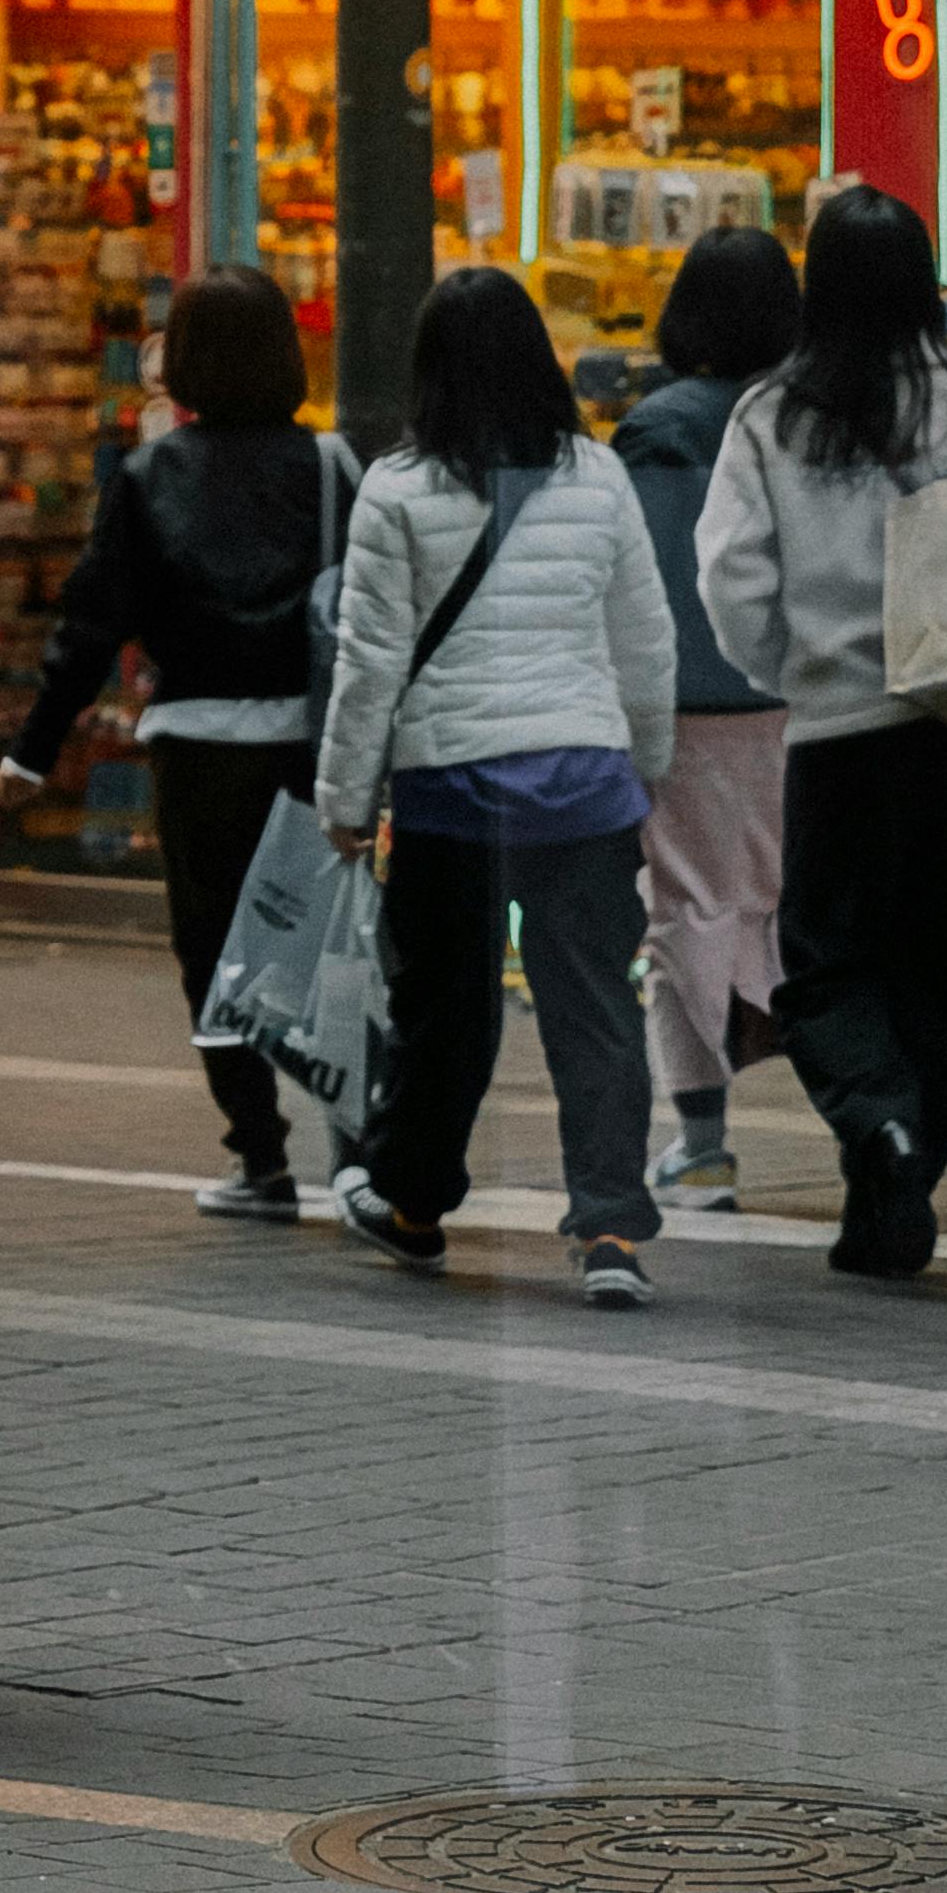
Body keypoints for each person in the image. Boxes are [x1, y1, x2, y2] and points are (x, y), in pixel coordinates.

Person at [695, 183, 947, 1279]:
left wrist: (792, 669)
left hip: (837, 730)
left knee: (822, 963)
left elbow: (733, 579)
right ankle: (900, 1177)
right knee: (945, 965)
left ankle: (879, 1127)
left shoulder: (772, 414)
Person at [311, 266, 682, 1305]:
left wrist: (344, 800)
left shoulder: (398, 488)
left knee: (445, 1017)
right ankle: (610, 1230)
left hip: (450, 796)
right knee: (598, 1012)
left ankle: (416, 1204)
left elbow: (369, 663)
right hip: (586, 788)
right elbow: (645, 642)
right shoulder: (596, 476)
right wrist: (641, 765)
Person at [0, 262, 343, 1225]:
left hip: (195, 744)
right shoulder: (330, 467)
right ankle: (362, 1145)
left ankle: (260, 1152)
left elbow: (89, 627)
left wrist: (30, 752)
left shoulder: (152, 476)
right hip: (309, 745)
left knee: (214, 951)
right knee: (320, 943)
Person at [613, 224, 803, 1213]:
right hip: (794, 703)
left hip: (684, 710)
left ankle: (703, 1141)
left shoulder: (659, 426)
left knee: (681, 913)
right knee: (777, 907)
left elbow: (634, 583)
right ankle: (853, 1107)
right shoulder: (805, 419)